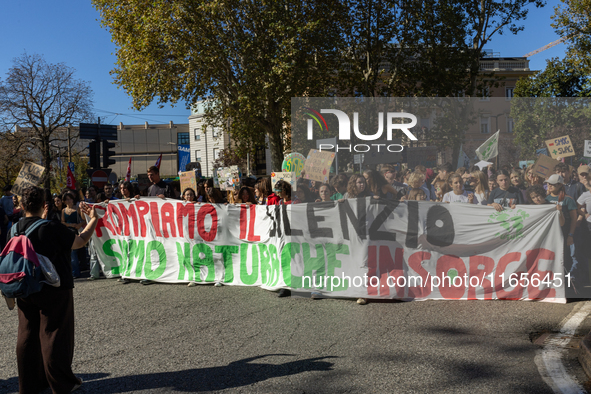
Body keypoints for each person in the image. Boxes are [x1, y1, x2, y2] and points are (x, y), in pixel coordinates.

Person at [14, 185, 98, 393]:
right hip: (53, 288)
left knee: (27, 333)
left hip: (23, 286)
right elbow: (78, 242)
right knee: (54, 334)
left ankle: (30, 384)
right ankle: (61, 383)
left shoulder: (14, 229)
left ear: (22, 205)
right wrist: (93, 220)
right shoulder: (50, 226)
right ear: (45, 205)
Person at [544, 174, 580, 293]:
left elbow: (574, 219)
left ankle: (567, 286)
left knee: (565, 259)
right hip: (550, 236)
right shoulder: (545, 199)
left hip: (564, 234)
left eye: (552, 184)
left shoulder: (568, 199)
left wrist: (570, 235)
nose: (549, 186)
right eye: (548, 183)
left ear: (560, 185)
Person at [61, 192, 85, 278]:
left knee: (74, 253)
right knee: (70, 253)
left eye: (70, 198)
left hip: (76, 232)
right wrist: (71, 225)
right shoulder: (63, 210)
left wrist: (79, 225)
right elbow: (62, 222)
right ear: (64, 201)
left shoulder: (77, 208)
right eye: (67, 199)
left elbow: (84, 219)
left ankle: (76, 273)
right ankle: (72, 272)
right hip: (67, 232)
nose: (69, 201)